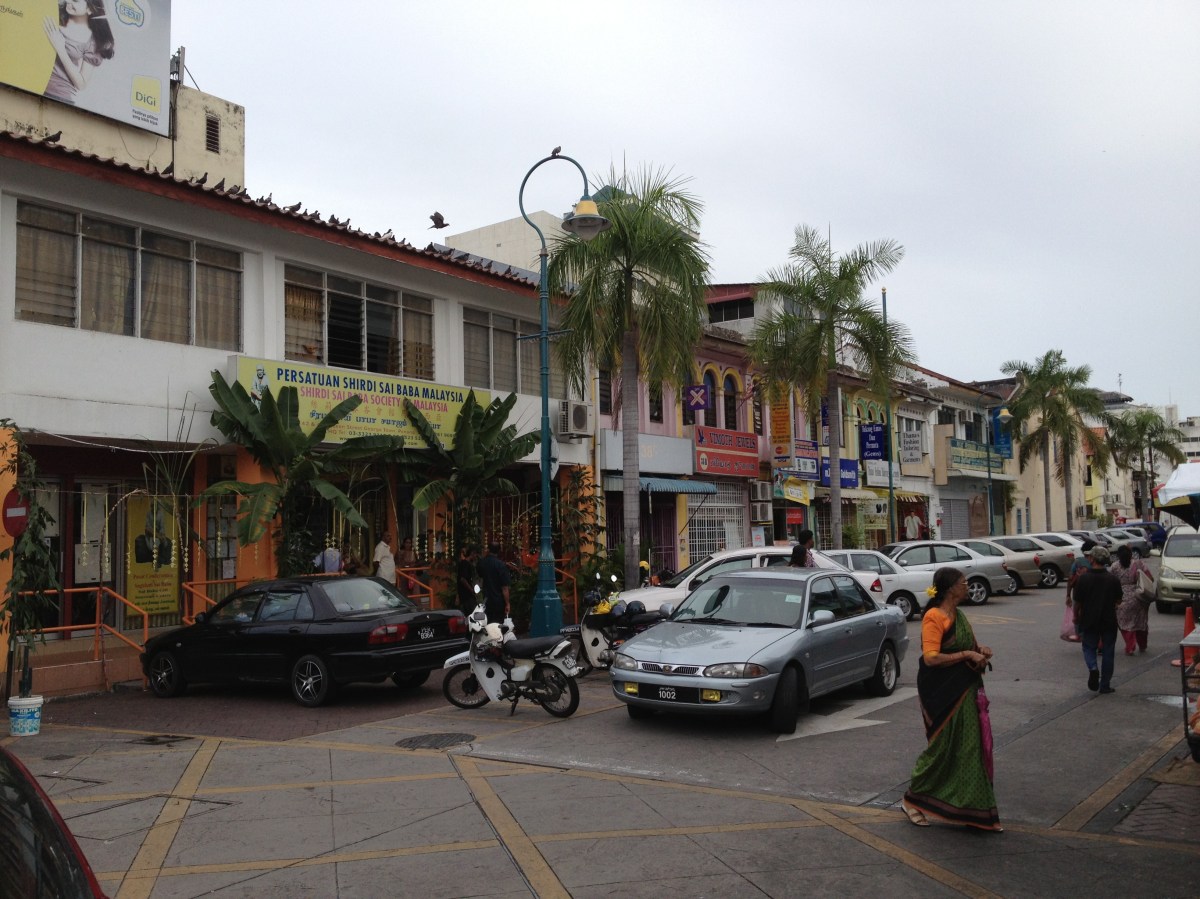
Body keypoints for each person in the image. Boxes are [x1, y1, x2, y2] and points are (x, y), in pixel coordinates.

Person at [902, 567, 1001, 832]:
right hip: (942, 692)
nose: (967, 586)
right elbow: (931, 657)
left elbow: (970, 646)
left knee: (970, 748)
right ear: (949, 589)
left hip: (966, 689)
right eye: (963, 582)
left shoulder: (959, 614)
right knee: (941, 749)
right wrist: (967, 655)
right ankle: (913, 801)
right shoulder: (934, 616)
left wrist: (980, 651)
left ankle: (973, 810)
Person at [43, 0, 115, 105]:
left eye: (76, 1)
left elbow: (81, 84)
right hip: (31, 80)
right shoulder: (54, 13)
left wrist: (60, 49)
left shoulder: (92, 43)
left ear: (90, 9)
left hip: (57, 95)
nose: (69, 1)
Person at [1072, 545, 1122, 694]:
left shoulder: (1083, 579)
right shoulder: (1113, 579)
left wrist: (1075, 616)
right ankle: (1105, 685)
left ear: (1092, 559)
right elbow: (1118, 601)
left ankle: (1093, 668)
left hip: (1089, 619)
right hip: (1109, 620)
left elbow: (1077, 602)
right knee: (1108, 651)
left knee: (1088, 647)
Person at [1110, 544, 1151, 655]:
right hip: (1139, 597)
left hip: (1122, 598)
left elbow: (1110, 582)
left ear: (1118, 556)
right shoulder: (1138, 564)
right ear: (1131, 554)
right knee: (1141, 623)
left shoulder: (1114, 566)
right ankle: (1142, 645)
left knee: (1125, 624)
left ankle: (1130, 646)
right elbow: (1150, 578)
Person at [1062, 539, 1095, 643]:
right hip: (1094, 594)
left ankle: (1080, 634)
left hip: (1078, 593)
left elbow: (1070, 579)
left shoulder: (1078, 562)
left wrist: (1068, 595)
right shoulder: (1097, 562)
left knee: (1078, 613)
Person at [477, 542, 511, 623]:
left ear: (488, 550)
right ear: (499, 551)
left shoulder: (482, 563)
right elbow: (505, 588)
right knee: (497, 625)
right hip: (498, 601)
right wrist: (507, 603)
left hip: (486, 600)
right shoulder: (500, 565)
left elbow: (479, 577)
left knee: (487, 623)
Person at [457, 545, 479, 614]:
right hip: (467, 596)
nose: (476, 556)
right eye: (475, 554)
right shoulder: (465, 564)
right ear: (472, 553)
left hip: (465, 595)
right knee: (473, 614)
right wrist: (471, 590)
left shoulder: (465, 564)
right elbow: (463, 579)